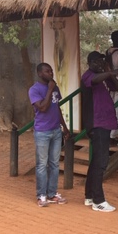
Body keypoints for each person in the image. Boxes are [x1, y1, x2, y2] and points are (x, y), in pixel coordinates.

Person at [81, 51, 118, 212]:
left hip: (105, 123)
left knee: (96, 162)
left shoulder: (104, 76)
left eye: (102, 61)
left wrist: (109, 72)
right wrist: (109, 72)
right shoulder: (88, 76)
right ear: (90, 63)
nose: (100, 64)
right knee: (101, 162)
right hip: (97, 124)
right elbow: (94, 80)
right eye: (97, 61)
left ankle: (89, 196)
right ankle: (98, 201)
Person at [28, 63, 70, 207]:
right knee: (41, 164)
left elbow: (56, 107)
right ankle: (41, 195)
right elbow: (43, 108)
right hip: (42, 132)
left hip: (56, 131)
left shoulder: (55, 88)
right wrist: (50, 89)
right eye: (47, 71)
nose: (51, 73)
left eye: (51, 71)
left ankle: (52, 193)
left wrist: (64, 127)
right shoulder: (34, 90)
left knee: (54, 164)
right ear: (40, 73)